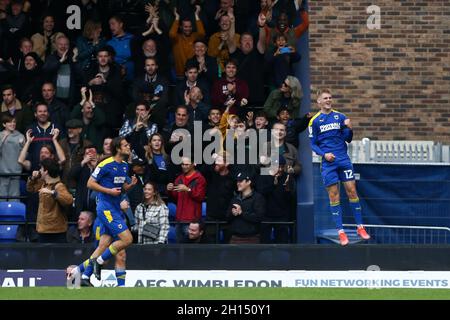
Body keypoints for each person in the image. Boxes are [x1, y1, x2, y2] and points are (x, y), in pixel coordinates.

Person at [69, 137, 137, 285]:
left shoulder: (124, 166)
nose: (128, 146)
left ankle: (83, 276)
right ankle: (98, 262)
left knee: (104, 244)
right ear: (118, 148)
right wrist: (109, 191)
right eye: (125, 145)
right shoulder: (105, 164)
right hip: (106, 208)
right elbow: (90, 183)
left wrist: (130, 186)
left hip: (116, 208)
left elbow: (121, 187)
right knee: (127, 239)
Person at [309, 88, 371, 246]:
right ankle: (341, 231)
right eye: (325, 98)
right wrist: (324, 155)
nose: (328, 100)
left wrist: (350, 129)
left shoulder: (340, 116)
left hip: (344, 160)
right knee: (334, 196)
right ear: (319, 102)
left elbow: (348, 139)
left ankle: (360, 227)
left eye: (330, 97)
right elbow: (312, 144)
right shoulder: (315, 121)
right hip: (328, 163)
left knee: (352, 191)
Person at [26, 157, 73, 243]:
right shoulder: (43, 184)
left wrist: (52, 192)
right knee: (42, 256)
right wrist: (33, 178)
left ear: (46, 171)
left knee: (58, 256)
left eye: (41, 169)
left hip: (56, 231)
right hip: (43, 229)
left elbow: (69, 200)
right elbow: (31, 189)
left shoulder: (59, 186)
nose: (39, 170)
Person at [0, 115, 25, 201]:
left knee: (14, 198)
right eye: (10, 122)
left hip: (16, 172)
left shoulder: (20, 136)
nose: (12, 124)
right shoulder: (0, 136)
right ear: (4, 124)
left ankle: (13, 215)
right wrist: (3, 139)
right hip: (2, 173)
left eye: (14, 122)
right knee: (2, 198)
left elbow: (24, 154)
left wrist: (23, 145)